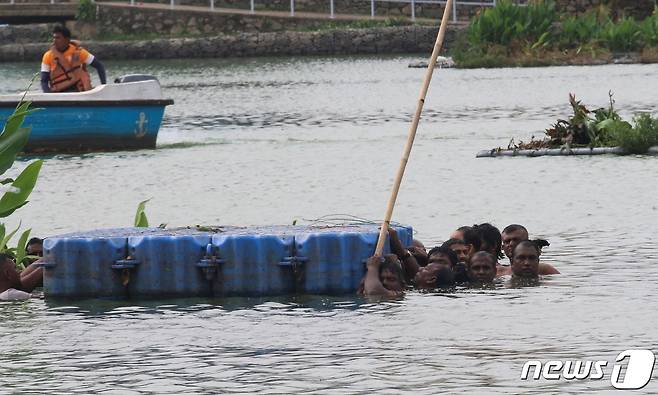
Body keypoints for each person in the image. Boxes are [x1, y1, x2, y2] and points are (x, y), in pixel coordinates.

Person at [40, 25, 106, 93]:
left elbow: (99, 66)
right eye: (54, 38)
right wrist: (48, 94)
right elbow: (44, 80)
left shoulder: (80, 52)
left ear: (67, 39)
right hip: (59, 92)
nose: (54, 41)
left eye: (58, 38)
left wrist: (104, 86)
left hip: (79, 91)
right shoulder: (48, 56)